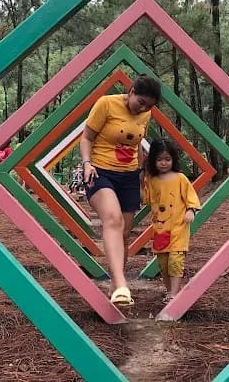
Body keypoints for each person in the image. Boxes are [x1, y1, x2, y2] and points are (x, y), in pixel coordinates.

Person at [80, 74, 161, 306]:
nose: (143, 108)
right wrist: (87, 164)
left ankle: (117, 288)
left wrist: (141, 173)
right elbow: (86, 138)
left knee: (124, 233)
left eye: (149, 106)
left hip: (128, 176)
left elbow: (136, 145)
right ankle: (121, 283)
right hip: (100, 172)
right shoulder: (106, 103)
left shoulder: (146, 114)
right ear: (132, 91)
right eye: (141, 102)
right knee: (113, 220)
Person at [141, 138, 200, 301]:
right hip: (160, 227)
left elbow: (191, 197)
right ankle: (169, 292)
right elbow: (146, 199)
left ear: (173, 159)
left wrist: (191, 210)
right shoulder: (152, 180)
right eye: (159, 159)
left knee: (176, 261)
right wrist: (141, 180)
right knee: (163, 263)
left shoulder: (180, 178)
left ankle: (175, 293)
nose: (164, 163)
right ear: (153, 161)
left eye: (167, 159)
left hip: (179, 227)